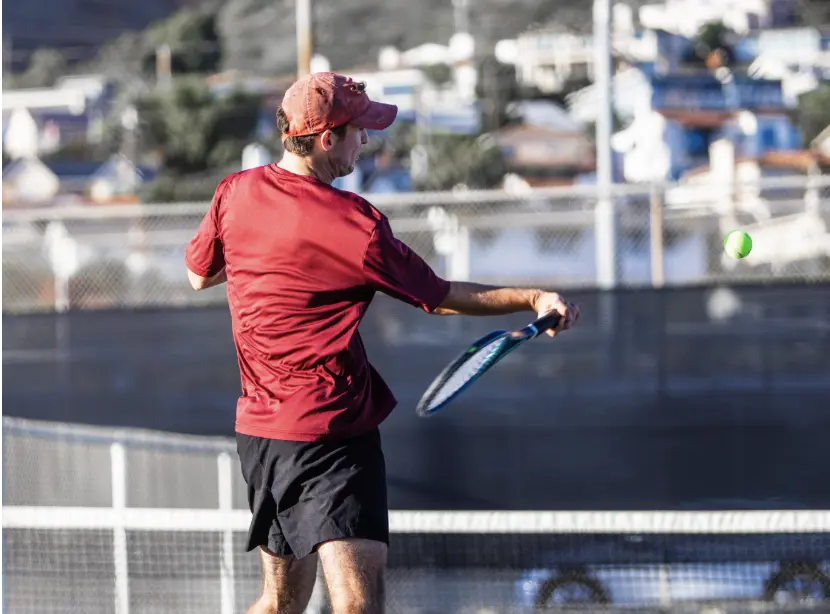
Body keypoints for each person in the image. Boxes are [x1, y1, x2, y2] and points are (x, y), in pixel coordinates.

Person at [185, 71, 580, 614]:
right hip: (333, 435)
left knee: (280, 604)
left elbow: (200, 275)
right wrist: (534, 297)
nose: (365, 141)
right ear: (327, 139)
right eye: (358, 132)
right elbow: (439, 296)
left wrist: (275, 261)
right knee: (355, 607)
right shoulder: (357, 224)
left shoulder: (233, 194)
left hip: (261, 437)